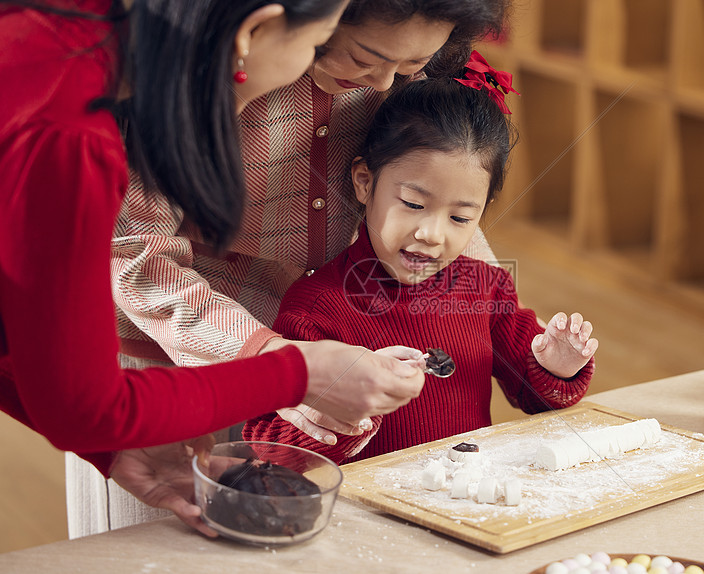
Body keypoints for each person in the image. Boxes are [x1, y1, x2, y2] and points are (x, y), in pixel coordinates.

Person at [0, 0, 426, 538]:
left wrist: (112, 445)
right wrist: (298, 372)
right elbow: (83, 407)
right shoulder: (73, 133)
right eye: (315, 43)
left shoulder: (59, 32)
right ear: (252, 31)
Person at [86, 0, 509, 537]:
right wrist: (277, 360)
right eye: (365, 57)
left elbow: (437, 196)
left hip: (324, 354)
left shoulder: (400, 74)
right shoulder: (198, 78)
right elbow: (130, 253)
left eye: (407, 67)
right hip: (169, 351)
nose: (383, 85)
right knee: (162, 543)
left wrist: (492, 308)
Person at [244, 58, 599, 463]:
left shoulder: (485, 288)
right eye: (413, 204)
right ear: (364, 182)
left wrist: (558, 365)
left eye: (460, 217)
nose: (432, 234)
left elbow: (536, 397)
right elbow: (270, 448)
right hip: (367, 519)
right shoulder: (314, 306)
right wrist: (347, 405)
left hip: (464, 502)